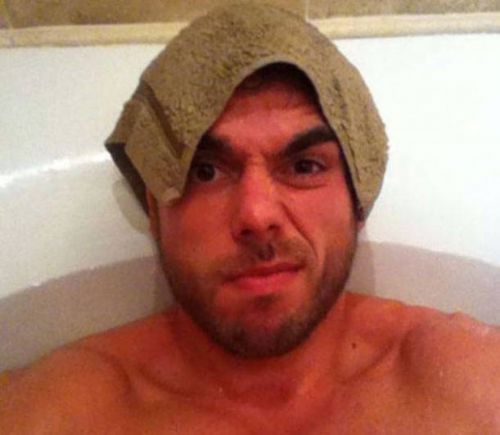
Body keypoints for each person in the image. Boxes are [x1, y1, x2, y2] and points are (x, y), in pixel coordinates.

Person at [1, 3, 499, 433]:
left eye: (304, 167)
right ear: (153, 208)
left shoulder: (467, 385)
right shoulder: (64, 411)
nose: (257, 215)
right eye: (206, 171)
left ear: (359, 197)